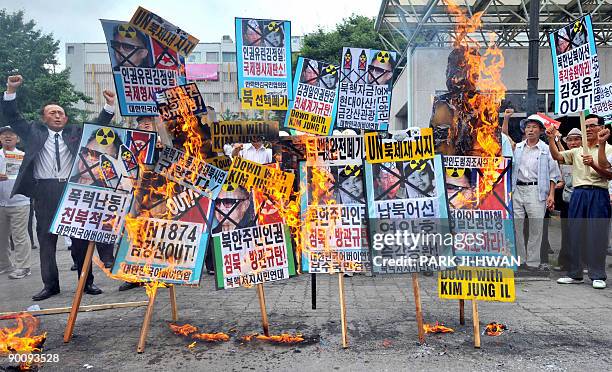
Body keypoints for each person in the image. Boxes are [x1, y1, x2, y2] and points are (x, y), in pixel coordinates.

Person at [2, 74, 115, 300]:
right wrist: (11, 91)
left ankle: (86, 282)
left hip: (73, 191)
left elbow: (98, 127)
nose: (57, 115)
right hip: (44, 191)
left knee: (81, 240)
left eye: (61, 112)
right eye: (52, 112)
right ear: (44, 118)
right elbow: (13, 116)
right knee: (47, 239)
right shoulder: (33, 131)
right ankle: (50, 285)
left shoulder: (75, 132)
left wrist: (109, 107)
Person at [548, 114, 612, 289]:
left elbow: (609, 174)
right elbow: (557, 157)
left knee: (597, 234)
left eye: (592, 125)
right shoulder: (577, 151)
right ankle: (574, 274)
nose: (589, 129)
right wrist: (551, 138)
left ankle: (597, 275)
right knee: (574, 233)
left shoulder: (609, 149)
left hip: (598, 193)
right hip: (578, 194)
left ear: (601, 127)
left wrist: (593, 164)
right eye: (587, 126)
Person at [512, 114, 560, 273]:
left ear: (540, 131)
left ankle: (532, 262)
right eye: (527, 127)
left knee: (536, 227)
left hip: (536, 190)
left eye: (534, 127)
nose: (530, 130)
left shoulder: (546, 149)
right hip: (517, 189)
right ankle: (520, 259)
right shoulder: (517, 148)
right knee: (516, 226)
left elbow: (554, 174)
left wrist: (551, 195)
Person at [0, 126, 32, 279]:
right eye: (4, 134)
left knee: (19, 236)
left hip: (20, 202)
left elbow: (31, 176)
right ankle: (5, 265)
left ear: (18, 139)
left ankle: (23, 267)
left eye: (11, 134)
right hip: (1, 203)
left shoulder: (24, 156)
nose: (7, 136)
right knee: (1, 237)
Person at [552, 128, 582, 272]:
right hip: (567, 199)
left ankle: (583, 263)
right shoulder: (567, 155)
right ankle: (565, 262)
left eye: (577, 139)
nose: (573, 143)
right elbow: (562, 158)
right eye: (570, 140)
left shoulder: (585, 154)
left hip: (582, 198)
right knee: (567, 232)